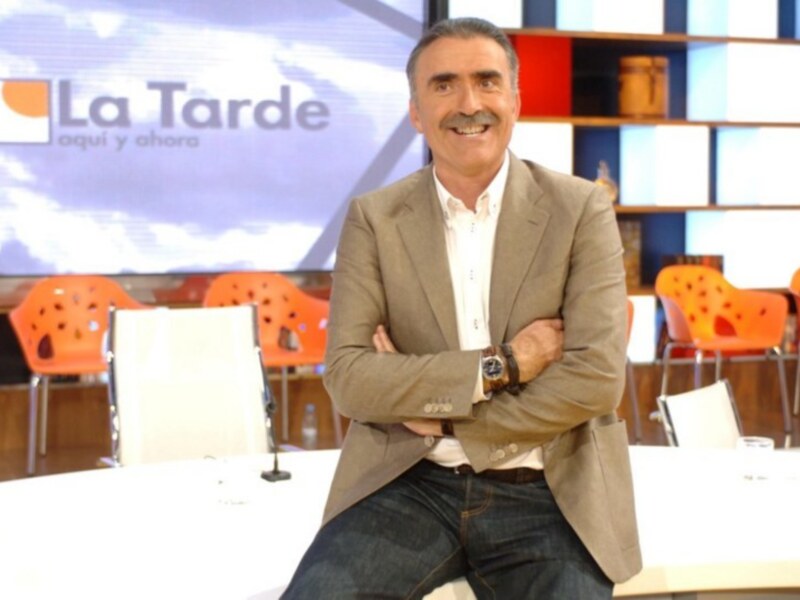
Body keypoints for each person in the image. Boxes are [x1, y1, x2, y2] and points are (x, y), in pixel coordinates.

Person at [282, 16, 641, 599]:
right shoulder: (374, 218)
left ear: (515, 101)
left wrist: (446, 416)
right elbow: (350, 377)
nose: (468, 103)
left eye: (487, 81)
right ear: (416, 112)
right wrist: (507, 364)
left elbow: (595, 381)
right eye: (444, 84)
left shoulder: (580, 211)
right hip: (409, 482)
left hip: (550, 488)